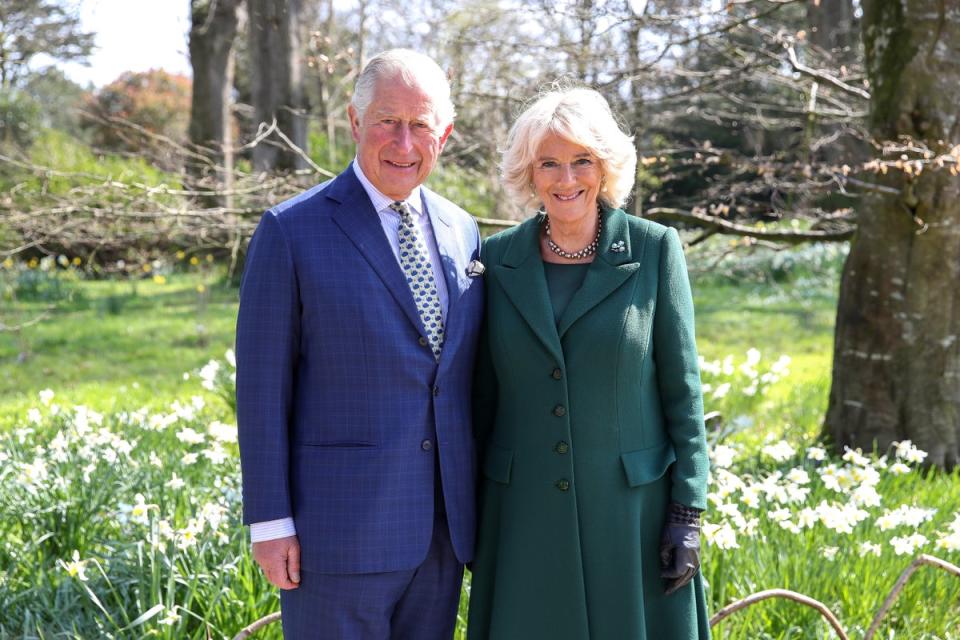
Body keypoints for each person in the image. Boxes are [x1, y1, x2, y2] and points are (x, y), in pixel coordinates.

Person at [236, 49, 484, 639]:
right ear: (354, 121)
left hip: (442, 536)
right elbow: (262, 389)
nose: (404, 141)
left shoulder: (463, 230)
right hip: (337, 536)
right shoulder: (290, 231)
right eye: (387, 121)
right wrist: (269, 521)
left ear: (442, 135)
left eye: (420, 124)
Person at [467, 88, 711, 639]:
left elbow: (683, 393)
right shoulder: (495, 261)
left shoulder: (654, 250)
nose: (566, 178)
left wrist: (687, 514)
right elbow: (480, 400)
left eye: (582, 161)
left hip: (633, 515)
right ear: (529, 173)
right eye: (549, 163)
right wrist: (468, 515)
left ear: (605, 167)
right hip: (522, 513)